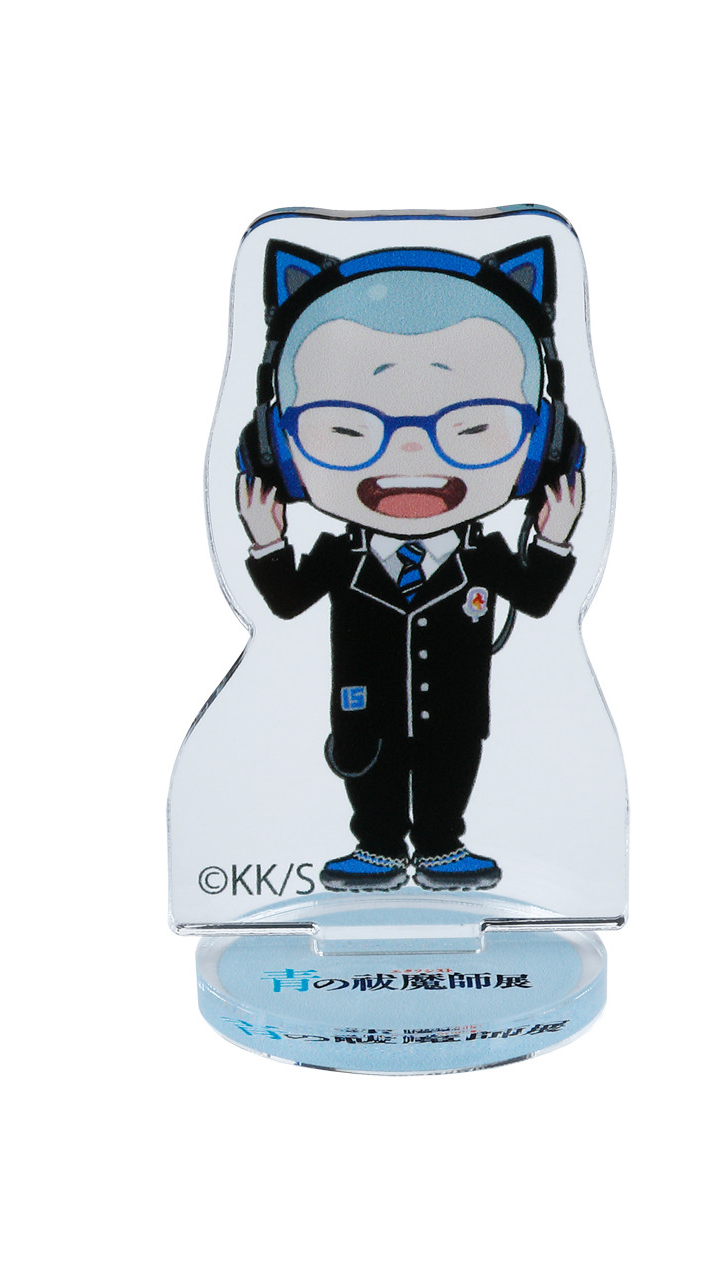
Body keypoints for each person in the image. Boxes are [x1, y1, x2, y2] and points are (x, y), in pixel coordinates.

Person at [237, 240, 584, 892]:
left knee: (449, 769)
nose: (410, 457)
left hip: (454, 715)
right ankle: (376, 847)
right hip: (365, 713)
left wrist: (554, 538)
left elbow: (535, 598)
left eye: (473, 429)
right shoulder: (339, 556)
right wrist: (266, 542)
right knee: (373, 775)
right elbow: (285, 600)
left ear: (542, 444)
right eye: (346, 431)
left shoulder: (483, 556)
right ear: (279, 448)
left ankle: (441, 846)